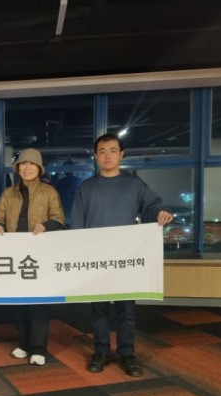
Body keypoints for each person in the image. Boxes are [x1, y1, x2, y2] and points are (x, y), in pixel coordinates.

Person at [71, 133, 173, 376]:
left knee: (126, 311)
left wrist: (160, 213)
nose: (107, 156)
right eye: (102, 151)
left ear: (121, 154)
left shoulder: (134, 184)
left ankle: (127, 354)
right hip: (96, 260)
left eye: (113, 151)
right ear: (96, 156)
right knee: (99, 310)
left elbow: (152, 206)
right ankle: (102, 352)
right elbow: (76, 225)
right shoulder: (86, 187)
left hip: (126, 258)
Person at [0, 148, 66, 366]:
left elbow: (59, 219)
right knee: (20, 302)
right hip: (16, 255)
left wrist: (46, 225)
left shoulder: (49, 192)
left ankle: (38, 348)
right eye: (23, 164)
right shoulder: (9, 193)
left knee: (39, 303)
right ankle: (24, 344)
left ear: (39, 168)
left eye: (31, 164)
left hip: (40, 256)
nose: (27, 167)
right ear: (17, 168)